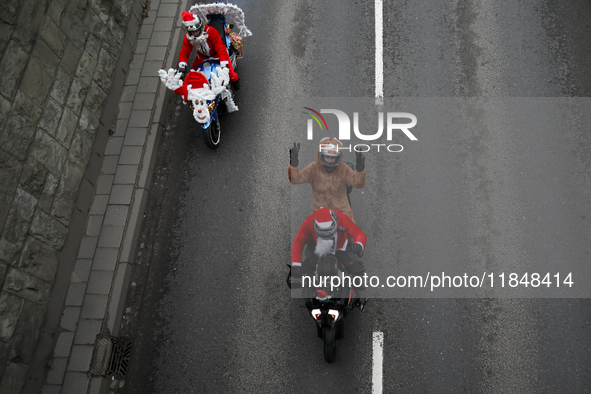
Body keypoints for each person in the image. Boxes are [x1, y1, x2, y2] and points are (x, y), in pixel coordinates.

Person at [291, 207, 367, 296]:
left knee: (354, 267)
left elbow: (358, 233)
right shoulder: (308, 221)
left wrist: (359, 244)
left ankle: (357, 280)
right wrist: (296, 264)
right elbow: (299, 241)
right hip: (319, 248)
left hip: (340, 248)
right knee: (307, 268)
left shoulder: (342, 218)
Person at [289, 137, 365, 222]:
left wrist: (360, 168)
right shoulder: (313, 168)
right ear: (321, 155)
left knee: (353, 233)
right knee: (308, 233)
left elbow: (359, 183)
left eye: (333, 158)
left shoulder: (343, 168)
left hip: (342, 210)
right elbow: (295, 179)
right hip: (318, 211)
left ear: (338, 158)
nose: (329, 161)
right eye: (327, 157)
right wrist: (294, 163)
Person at [178, 11, 240, 90]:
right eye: (192, 32)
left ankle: (236, 81)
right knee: (192, 76)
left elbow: (220, 48)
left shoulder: (211, 31)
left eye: (196, 31)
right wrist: (182, 67)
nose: (195, 34)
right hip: (202, 57)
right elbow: (184, 51)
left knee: (231, 75)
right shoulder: (188, 37)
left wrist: (224, 65)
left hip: (217, 55)